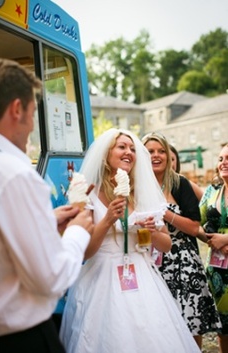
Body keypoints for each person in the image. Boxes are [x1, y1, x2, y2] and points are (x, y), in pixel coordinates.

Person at [59, 128, 200, 353]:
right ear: (106, 154)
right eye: (122, 147)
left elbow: (167, 245)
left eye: (133, 149)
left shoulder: (143, 194)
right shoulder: (88, 193)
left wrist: (152, 231)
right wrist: (107, 220)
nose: (129, 152)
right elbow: (85, 253)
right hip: (101, 278)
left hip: (141, 275)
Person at [0, 58, 94, 353]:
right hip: (24, 338)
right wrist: (78, 232)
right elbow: (49, 278)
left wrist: (47, 221)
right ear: (17, 109)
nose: (32, 126)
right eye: (33, 113)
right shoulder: (18, 175)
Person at [142, 132, 221, 349]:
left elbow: (195, 226)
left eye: (161, 151)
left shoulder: (179, 183)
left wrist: (166, 213)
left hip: (182, 262)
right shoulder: (134, 186)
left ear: (168, 156)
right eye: (150, 151)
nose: (156, 156)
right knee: (157, 324)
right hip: (149, 262)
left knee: (190, 323)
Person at [199, 143, 228, 352]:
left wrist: (226, 240)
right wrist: (212, 240)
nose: (224, 163)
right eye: (220, 159)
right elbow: (197, 224)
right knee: (224, 326)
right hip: (218, 269)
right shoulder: (211, 191)